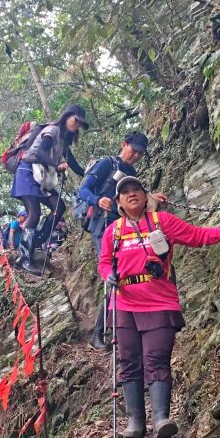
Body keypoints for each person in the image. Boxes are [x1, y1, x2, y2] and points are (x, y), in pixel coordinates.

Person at [98, 176, 220, 438]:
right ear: (119, 202)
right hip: (123, 303)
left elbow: (197, 235)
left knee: (156, 358)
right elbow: (103, 262)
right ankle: (135, 423)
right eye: (125, 192)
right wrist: (106, 274)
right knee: (129, 361)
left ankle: (160, 420)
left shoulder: (162, 222)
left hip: (159, 301)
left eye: (137, 190)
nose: (132, 194)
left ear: (146, 197)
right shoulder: (114, 231)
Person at [77, 131, 166, 350]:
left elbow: (134, 200)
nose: (135, 155)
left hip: (121, 229)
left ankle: (113, 330)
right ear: (124, 144)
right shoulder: (106, 164)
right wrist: (98, 200)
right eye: (133, 150)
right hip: (101, 226)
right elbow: (83, 189)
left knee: (122, 275)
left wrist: (153, 197)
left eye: (140, 153)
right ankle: (99, 334)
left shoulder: (131, 171)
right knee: (113, 275)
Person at [11, 104, 88, 275]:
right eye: (75, 121)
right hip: (28, 172)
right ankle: (24, 259)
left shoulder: (65, 140)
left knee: (59, 207)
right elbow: (39, 152)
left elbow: (71, 162)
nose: (76, 125)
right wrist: (56, 164)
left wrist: (88, 174)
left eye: (79, 124)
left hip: (42, 177)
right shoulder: (53, 130)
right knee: (34, 213)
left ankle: (37, 242)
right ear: (67, 116)